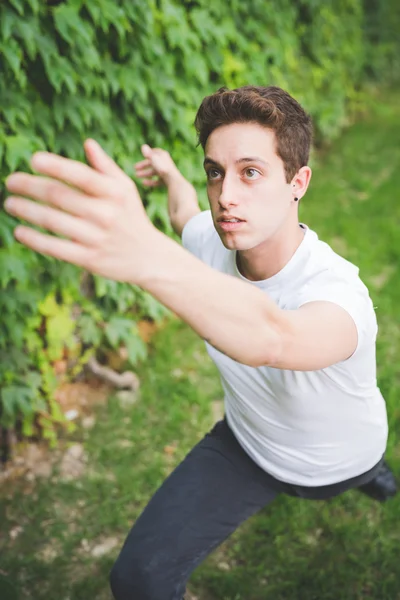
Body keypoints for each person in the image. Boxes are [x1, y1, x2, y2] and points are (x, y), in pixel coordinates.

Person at [4, 85, 396, 599]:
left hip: (342, 456)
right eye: (216, 171)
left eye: (250, 172)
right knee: (137, 579)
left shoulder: (339, 294)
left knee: (359, 469)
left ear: (297, 182)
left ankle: (373, 476)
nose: (226, 195)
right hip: (249, 446)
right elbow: (183, 215)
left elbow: (274, 338)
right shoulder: (210, 238)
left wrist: (146, 257)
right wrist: (170, 174)